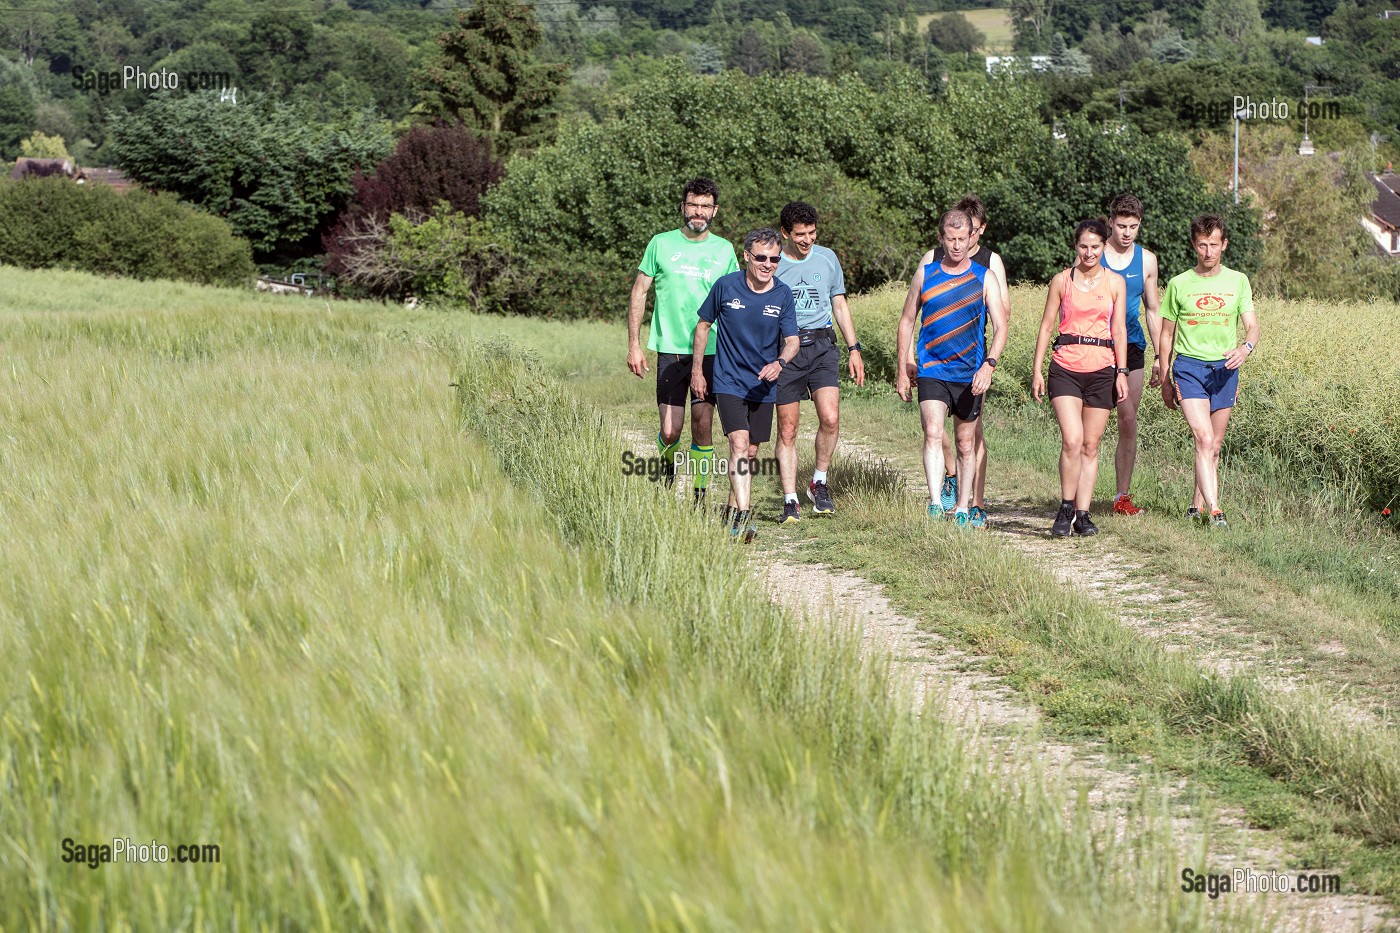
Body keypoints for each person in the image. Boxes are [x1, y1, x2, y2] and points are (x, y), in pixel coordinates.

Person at [627, 178, 739, 508]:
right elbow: (639, 292)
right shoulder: (660, 244)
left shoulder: (724, 250)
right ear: (683, 207)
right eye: (693, 205)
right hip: (671, 350)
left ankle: (699, 497)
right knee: (671, 430)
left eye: (705, 206)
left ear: (714, 210)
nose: (698, 211)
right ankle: (666, 469)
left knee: (703, 425)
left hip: (712, 351)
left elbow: (735, 300)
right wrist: (634, 344)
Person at [894, 210, 1009, 527]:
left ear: (972, 237)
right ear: (941, 238)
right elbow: (907, 320)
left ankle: (961, 507)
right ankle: (933, 503)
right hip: (932, 367)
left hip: (970, 372)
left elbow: (1001, 326)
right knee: (932, 432)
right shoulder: (926, 274)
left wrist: (989, 365)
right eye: (951, 239)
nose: (957, 246)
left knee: (965, 443)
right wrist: (903, 366)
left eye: (962, 239)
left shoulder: (984, 277)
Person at [691, 229, 799, 541]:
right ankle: (744, 516)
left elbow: (792, 341)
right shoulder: (726, 286)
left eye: (775, 258)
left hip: (763, 386)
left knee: (750, 453)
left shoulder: (783, 294)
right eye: (762, 257)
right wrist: (698, 370)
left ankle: (731, 511)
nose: (769, 264)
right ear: (747, 256)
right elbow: (702, 326)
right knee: (738, 444)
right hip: (728, 380)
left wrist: (779, 363)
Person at [1158, 214, 1260, 529]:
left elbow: (1253, 327)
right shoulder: (1178, 284)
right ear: (1194, 245)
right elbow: (1165, 335)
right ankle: (1216, 511)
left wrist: (1245, 349)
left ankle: (1195, 505)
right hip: (1189, 367)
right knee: (1202, 438)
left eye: (1213, 245)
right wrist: (1165, 376)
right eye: (1202, 245)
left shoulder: (1238, 280)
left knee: (1214, 445)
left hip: (1225, 369)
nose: (1208, 252)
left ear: (1224, 245)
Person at [1031, 218, 1129, 537]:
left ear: (1104, 247)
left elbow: (1119, 329)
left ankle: (1084, 515)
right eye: (1084, 246)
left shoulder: (1115, 283)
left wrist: (1122, 372)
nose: (1089, 252)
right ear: (1076, 246)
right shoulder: (1062, 281)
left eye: (1095, 247)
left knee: (1090, 444)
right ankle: (1066, 506)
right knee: (1072, 440)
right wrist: (1036, 369)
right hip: (1066, 368)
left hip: (1103, 369)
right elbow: (1047, 326)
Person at [773, 201, 866, 524]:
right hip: (786, 350)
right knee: (788, 428)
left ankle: (819, 481)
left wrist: (854, 348)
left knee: (830, 417)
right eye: (800, 234)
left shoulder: (827, 258)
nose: (807, 239)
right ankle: (789, 500)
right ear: (785, 233)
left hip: (824, 345)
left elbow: (838, 304)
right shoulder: (773, 262)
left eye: (812, 233)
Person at [1101, 193, 1163, 516]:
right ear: (1110, 222)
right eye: (1122, 226)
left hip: (1133, 348)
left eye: (1133, 227)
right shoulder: (1095, 253)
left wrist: (1159, 357)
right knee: (1090, 429)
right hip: (1097, 346)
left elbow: (1153, 310)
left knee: (1127, 420)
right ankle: (1075, 496)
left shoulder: (1147, 261)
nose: (1127, 233)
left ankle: (1121, 496)